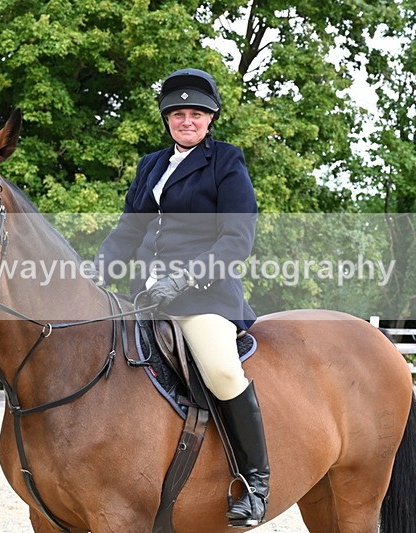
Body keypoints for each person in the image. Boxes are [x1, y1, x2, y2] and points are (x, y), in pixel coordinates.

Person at [95, 68, 269, 527]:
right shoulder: (150, 165)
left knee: (222, 370)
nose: (186, 121)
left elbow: (237, 238)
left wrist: (184, 279)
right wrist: (97, 271)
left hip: (203, 296)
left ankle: (254, 482)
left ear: (210, 119)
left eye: (196, 114)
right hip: (146, 296)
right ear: (167, 119)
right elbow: (128, 230)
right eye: (178, 114)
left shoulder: (226, 162)